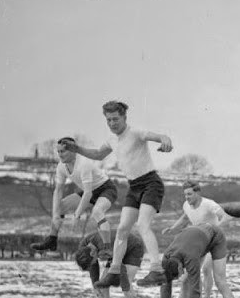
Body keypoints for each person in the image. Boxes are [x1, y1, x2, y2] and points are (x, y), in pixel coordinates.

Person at [60, 101, 173, 287]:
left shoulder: (135, 133)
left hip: (151, 183)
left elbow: (156, 136)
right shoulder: (112, 140)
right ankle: (113, 271)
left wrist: (165, 138)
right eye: (108, 120)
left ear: (124, 118)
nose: (112, 123)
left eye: (116, 119)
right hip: (133, 187)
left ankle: (156, 270)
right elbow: (97, 154)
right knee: (122, 229)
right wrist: (77, 149)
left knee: (143, 224)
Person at [142, 223, 240, 298]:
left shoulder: (190, 259)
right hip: (194, 239)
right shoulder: (166, 259)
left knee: (220, 281)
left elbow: (195, 291)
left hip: (215, 236)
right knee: (185, 281)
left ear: (180, 267)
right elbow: (165, 290)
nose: (177, 278)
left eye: (177, 275)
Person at [31, 137, 117, 253]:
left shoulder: (84, 163)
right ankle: (52, 240)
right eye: (59, 152)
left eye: (63, 151)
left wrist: (77, 214)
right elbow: (58, 190)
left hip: (106, 189)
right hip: (90, 191)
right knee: (60, 207)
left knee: (97, 212)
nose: (60, 155)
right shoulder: (61, 166)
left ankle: (107, 249)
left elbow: (87, 193)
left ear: (73, 151)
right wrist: (55, 213)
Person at [163, 180, 230, 298]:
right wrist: (172, 228)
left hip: (213, 241)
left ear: (198, 192)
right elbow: (184, 217)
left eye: (189, 194)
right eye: (185, 195)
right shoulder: (186, 205)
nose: (187, 197)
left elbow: (225, 217)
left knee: (206, 268)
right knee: (193, 271)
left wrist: (215, 230)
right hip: (198, 243)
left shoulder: (209, 204)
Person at [74, 231, 144, 298]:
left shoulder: (105, 247)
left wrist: (122, 283)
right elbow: (93, 265)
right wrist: (95, 283)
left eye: (94, 260)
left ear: (93, 253)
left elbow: (119, 266)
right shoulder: (83, 246)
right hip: (115, 251)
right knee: (102, 285)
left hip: (133, 248)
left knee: (126, 282)